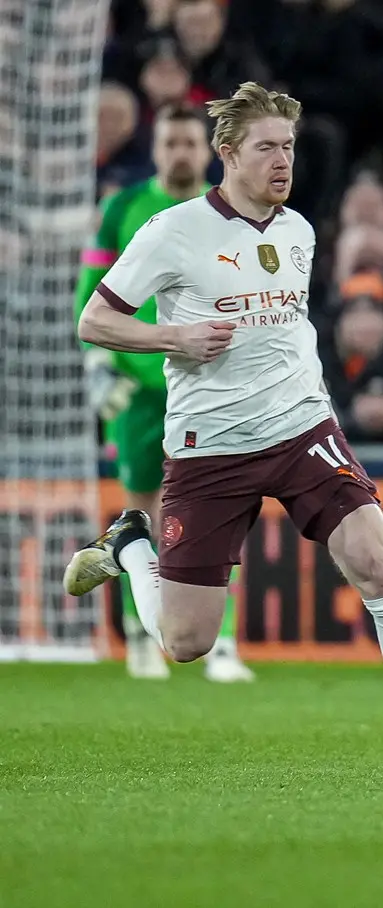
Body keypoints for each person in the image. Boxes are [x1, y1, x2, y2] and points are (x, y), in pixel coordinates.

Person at [64, 83, 383, 781]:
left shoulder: (298, 230)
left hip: (303, 430)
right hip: (211, 447)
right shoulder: (172, 231)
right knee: (186, 641)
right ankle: (132, 546)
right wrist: (174, 335)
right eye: (267, 146)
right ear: (227, 152)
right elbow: (96, 321)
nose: (282, 160)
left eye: (288, 147)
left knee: (378, 563)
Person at [74, 104, 253, 684]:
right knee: (142, 509)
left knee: (225, 509)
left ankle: (222, 641)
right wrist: (100, 365)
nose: (180, 153)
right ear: (155, 149)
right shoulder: (124, 208)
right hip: (142, 386)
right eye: (170, 142)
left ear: (207, 150)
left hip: (208, 385)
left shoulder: (228, 211)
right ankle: (140, 638)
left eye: (188, 143)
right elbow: (91, 296)